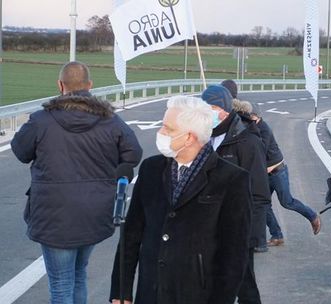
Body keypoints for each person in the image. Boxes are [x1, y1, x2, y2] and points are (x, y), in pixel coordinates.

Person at [11, 61, 142, 303]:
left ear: (60, 85)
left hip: (54, 215)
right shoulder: (111, 121)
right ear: (90, 86)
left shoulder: (42, 120)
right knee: (79, 275)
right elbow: (133, 154)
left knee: (61, 284)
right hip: (95, 212)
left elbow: (20, 151)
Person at [109, 96, 252, 304]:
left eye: (168, 129)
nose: (161, 133)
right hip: (151, 292)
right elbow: (131, 235)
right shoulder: (151, 170)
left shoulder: (231, 179)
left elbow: (233, 256)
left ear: (189, 138)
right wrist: (120, 291)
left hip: (197, 295)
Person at [201, 85, 270, 304]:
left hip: (238, 229)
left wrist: (252, 235)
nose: (206, 113)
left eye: (211, 107)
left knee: (244, 284)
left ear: (224, 110)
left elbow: (259, 192)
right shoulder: (202, 138)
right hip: (208, 226)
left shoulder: (247, 141)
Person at [232, 100, 321, 248]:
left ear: (256, 116)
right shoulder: (249, 128)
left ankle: (313, 216)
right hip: (264, 173)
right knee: (263, 204)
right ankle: (277, 235)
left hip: (277, 171)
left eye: (251, 117)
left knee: (287, 202)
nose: (248, 119)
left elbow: (259, 153)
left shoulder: (264, 130)